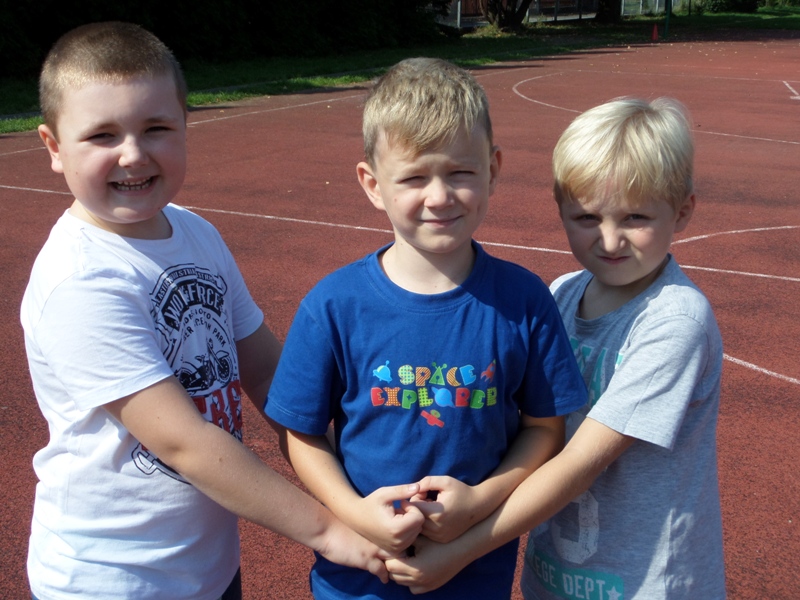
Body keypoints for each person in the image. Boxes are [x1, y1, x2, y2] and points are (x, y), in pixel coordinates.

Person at [21, 21, 398, 600]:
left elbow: (267, 373)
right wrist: (331, 529)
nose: (133, 154)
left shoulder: (195, 233)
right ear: (53, 147)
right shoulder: (82, 281)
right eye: (101, 135)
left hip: (206, 566)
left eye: (156, 128)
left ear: (185, 125)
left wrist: (351, 478)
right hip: (114, 579)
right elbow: (185, 445)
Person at [264, 57, 588, 600]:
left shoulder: (524, 300)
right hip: (358, 581)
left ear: (493, 168)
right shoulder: (334, 305)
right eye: (414, 177)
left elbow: (544, 429)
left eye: (460, 172)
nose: (439, 196)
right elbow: (301, 435)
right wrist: (356, 514)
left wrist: (481, 502)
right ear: (372, 184)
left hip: (476, 577)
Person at [385, 97, 727, 600]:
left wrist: (461, 547)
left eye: (635, 217)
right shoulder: (563, 293)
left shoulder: (675, 321)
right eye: (586, 217)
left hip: (646, 582)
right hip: (556, 574)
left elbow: (579, 462)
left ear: (683, 211)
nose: (610, 240)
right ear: (560, 207)